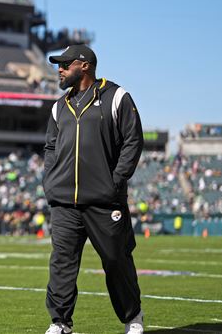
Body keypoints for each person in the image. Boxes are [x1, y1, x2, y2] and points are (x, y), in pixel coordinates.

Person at [42, 44, 145, 334]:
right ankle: (60, 322)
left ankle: (133, 317)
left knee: (116, 259)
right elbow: (50, 146)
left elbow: (132, 141)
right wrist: (50, 180)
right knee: (62, 263)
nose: (59, 70)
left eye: (64, 64)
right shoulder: (58, 106)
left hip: (104, 200)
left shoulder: (117, 97)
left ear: (84, 65)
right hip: (64, 201)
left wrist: (115, 182)